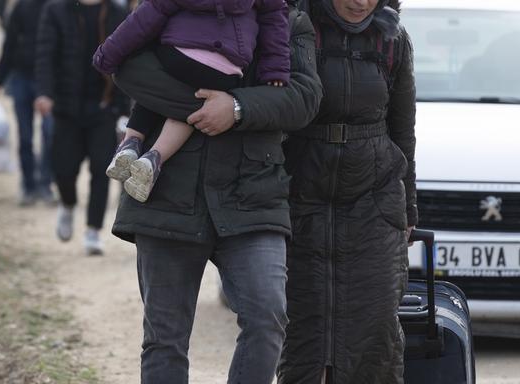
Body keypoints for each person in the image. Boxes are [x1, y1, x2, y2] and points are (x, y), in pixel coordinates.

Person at [109, 1, 322, 381]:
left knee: (268, 317)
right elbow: (126, 66)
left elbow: (303, 98)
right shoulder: (170, 5)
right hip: (166, 194)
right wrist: (201, 106)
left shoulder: (291, 24)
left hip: (253, 196)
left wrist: (236, 107)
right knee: (165, 338)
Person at [276, 0, 417, 382]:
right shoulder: (294, 30)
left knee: (375, 326)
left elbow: (403, 131)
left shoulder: (394, 40)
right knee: (303, 329)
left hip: (375, 201)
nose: (360, 3)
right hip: (300, 196)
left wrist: (408, 211)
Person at [93, 0, 291, 202]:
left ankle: (131, 142)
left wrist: (108, 54)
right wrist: (275, 70)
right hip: (226, 70)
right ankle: (155, 157)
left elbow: (146, 17)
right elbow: (275, 18)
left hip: (179, 54)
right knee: (192, 102)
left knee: (156, 85)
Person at [34, 0, 130, 255]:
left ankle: (93, 231)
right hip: (66, 108)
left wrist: (123, 107)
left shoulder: (118, 13)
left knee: (102, 168)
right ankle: (68, 204)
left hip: (103, 108)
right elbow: (45, 54)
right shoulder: (56, 10)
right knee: (64, 169)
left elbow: (127, 60)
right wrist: (44, 92)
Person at [0, 0, 57, 206]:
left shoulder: (59, 8)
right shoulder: (21, 8)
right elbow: (9, 47)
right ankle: (28, 185)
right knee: (25, 136)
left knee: (50, 134)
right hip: (22, 79)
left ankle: (45, 184)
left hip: (51, 82)